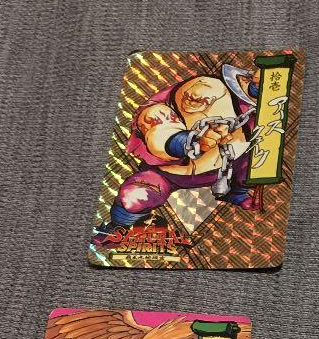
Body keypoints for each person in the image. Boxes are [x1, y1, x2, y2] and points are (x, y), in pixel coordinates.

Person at [97, 63, 260, 240]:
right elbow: (157, 120)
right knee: (135, 196)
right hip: (168, 172)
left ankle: (236, 193)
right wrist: (192, 141)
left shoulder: (264, 113)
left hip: (221, 169)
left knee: (256, 162)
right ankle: (115, 229)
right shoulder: (209, 88)